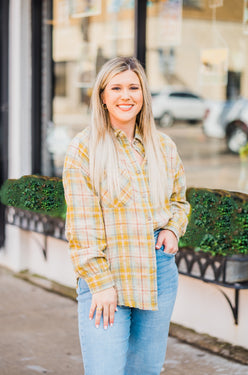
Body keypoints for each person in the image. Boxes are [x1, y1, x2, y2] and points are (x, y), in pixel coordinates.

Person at [62, 56, 190, 375]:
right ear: (102, 97)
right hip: (107, 271)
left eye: (134, 87)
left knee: (146, 370)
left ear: (144, 95)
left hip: (158, 269)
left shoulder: (163, 146)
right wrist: (101, 284)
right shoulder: (84, 149)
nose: (126, 95)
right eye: (116, 88)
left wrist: (173, 229)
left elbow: (179, 201)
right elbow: (82, 225)